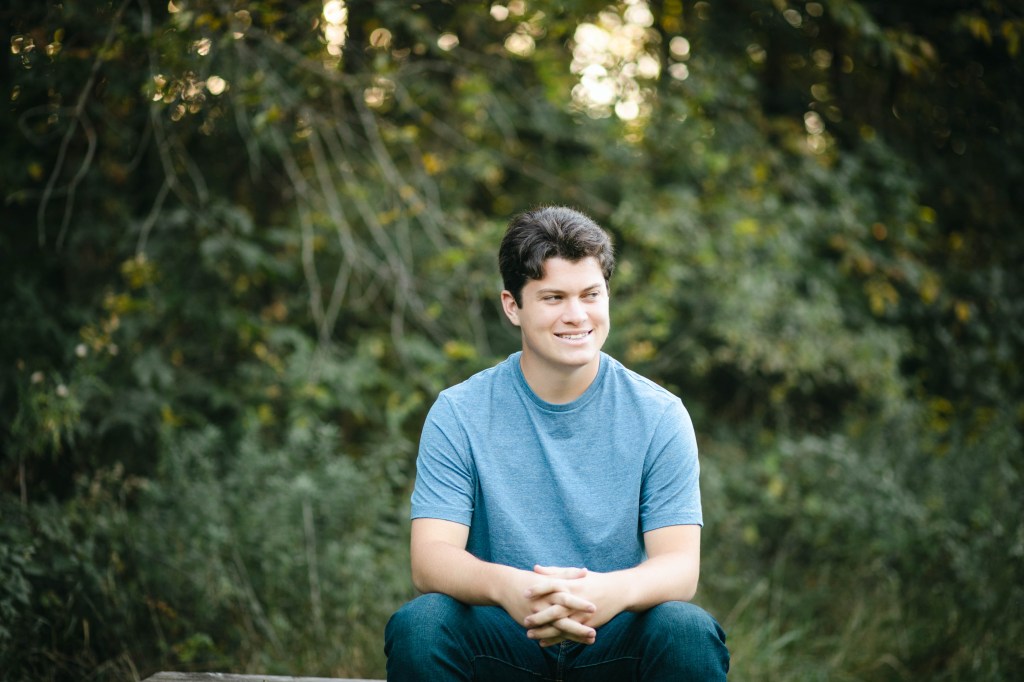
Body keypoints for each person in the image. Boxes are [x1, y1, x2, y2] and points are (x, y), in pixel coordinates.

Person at [384, 206, 729, 681]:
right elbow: (430, 560)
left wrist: (611, 593)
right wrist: (510, 588)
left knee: (687, 630)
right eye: (553, 297)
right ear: (513, 306)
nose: (576, 315)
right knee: (421, 625)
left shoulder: (659, 415)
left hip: (611, 637)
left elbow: (680, 567)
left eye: (591, 294)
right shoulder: (459, 412)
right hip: (504, 637)